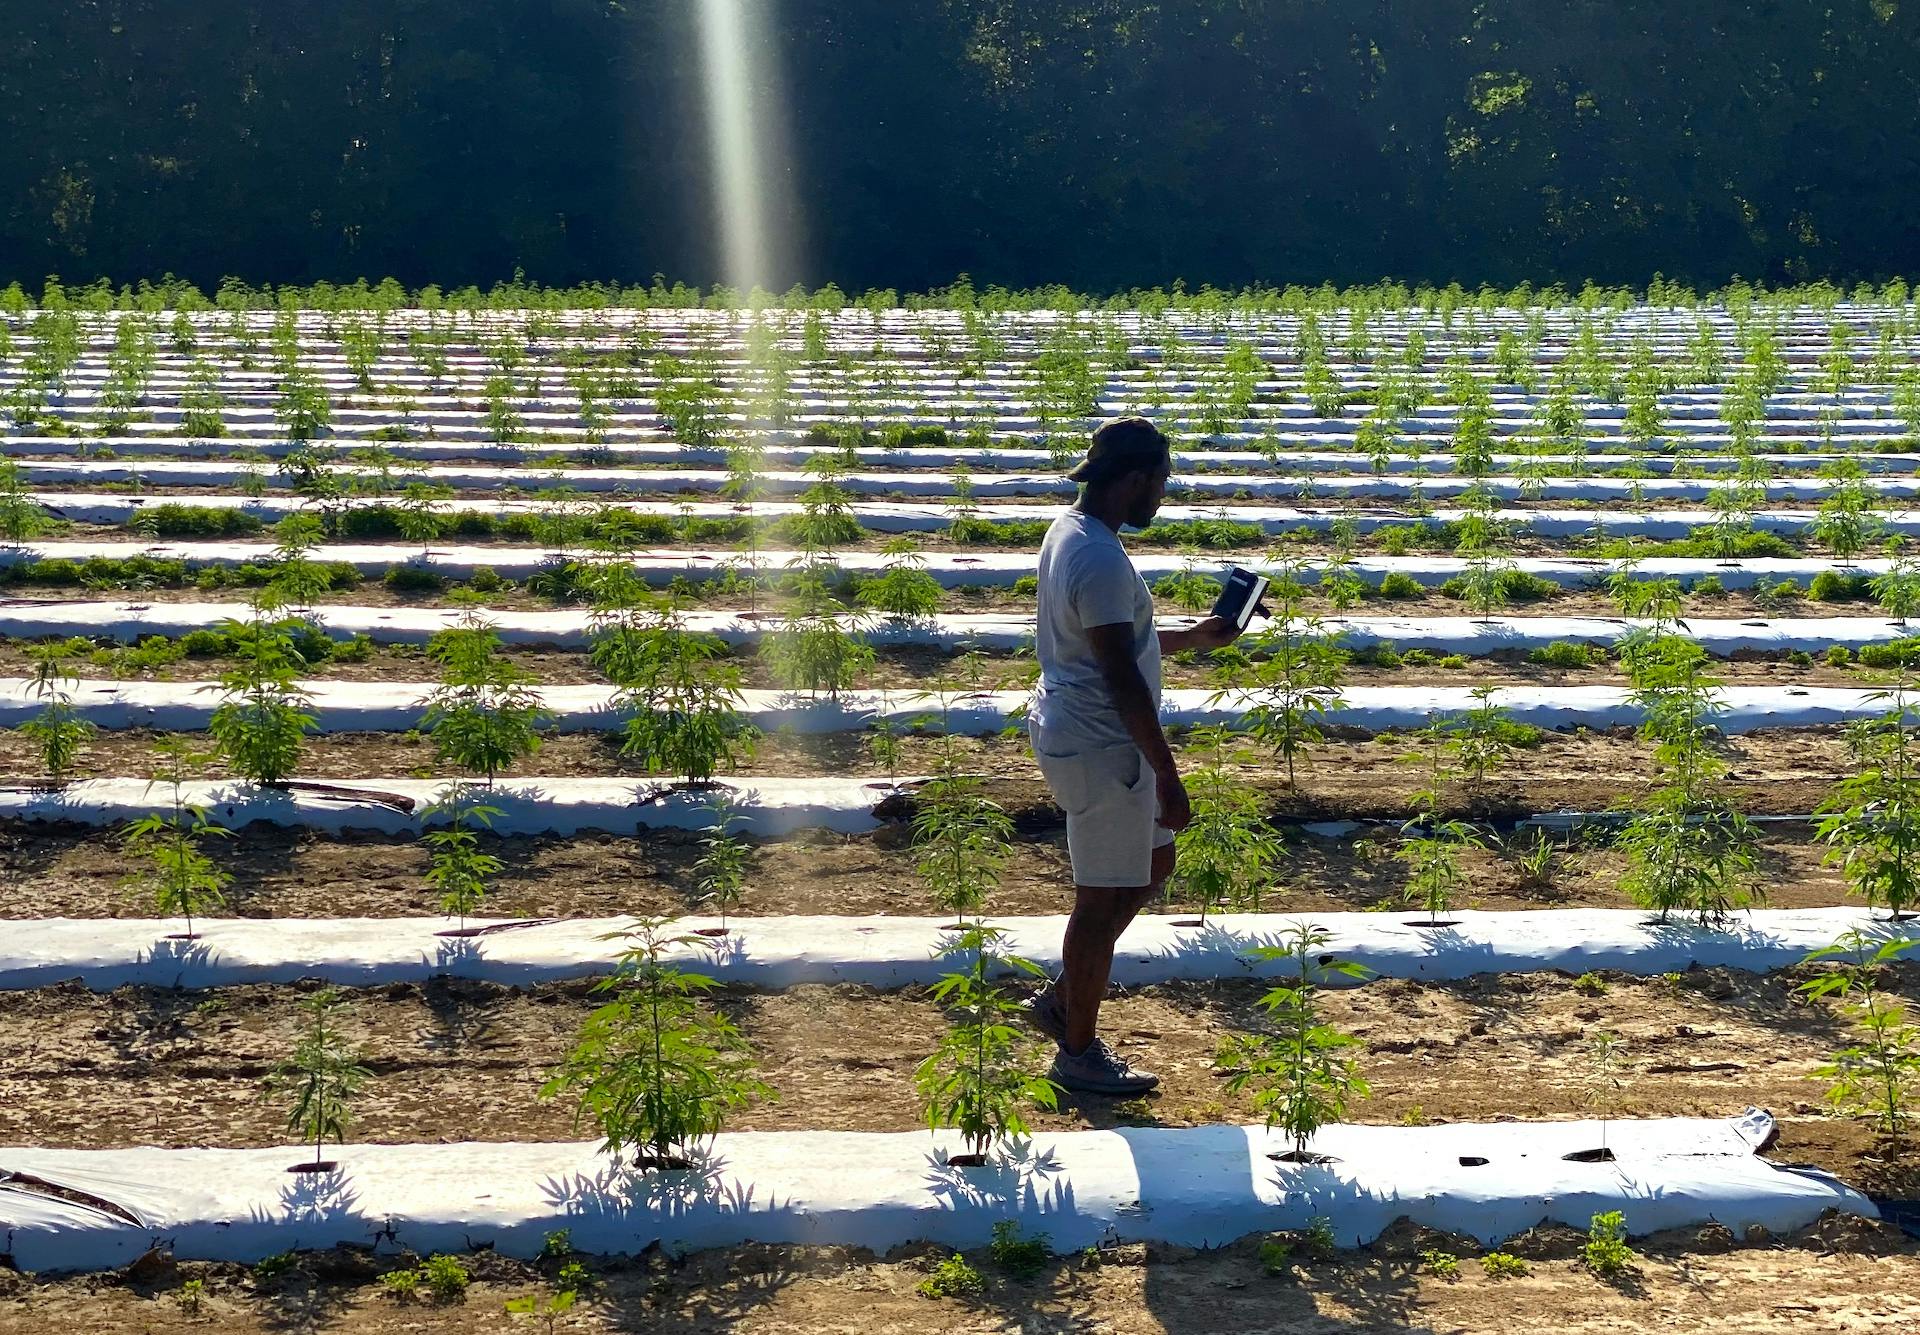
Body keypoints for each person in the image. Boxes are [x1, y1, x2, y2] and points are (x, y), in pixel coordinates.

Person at [1023, 416, 1245, 1094]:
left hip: (1089, 730)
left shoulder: (1077, 532)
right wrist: (1169, 777)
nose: (1163, 497)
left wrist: (1192, 639)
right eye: (1163, 483)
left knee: (1153, 861)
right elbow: (1120, 676)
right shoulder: (1096, 557)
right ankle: (1077, 1050)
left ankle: (1066, 996)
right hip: (1103, 747)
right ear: (1139, 479)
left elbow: (1117, 644)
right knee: (1098, 901)